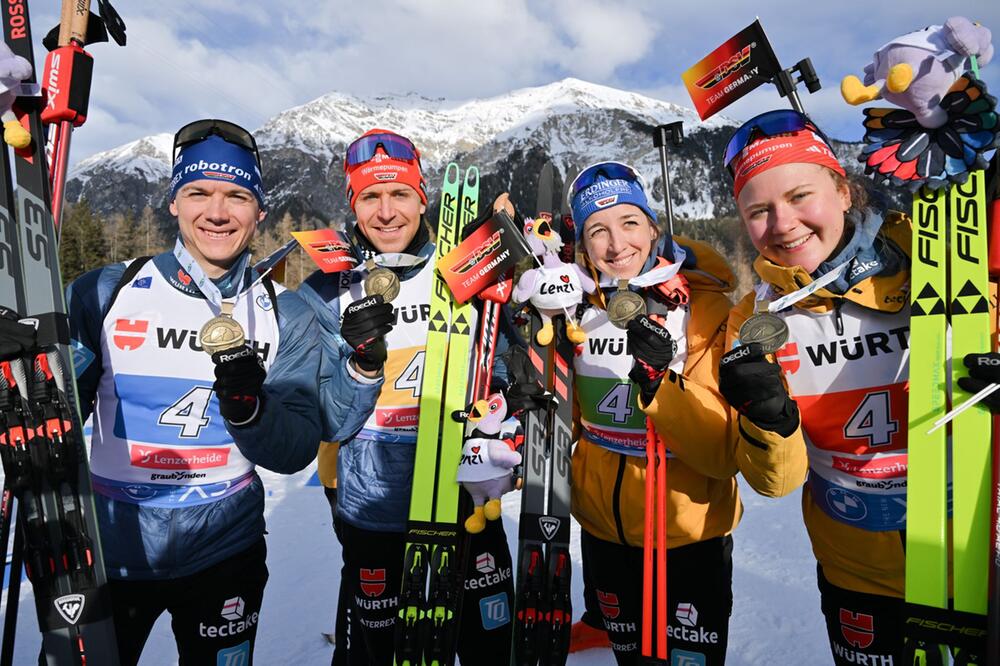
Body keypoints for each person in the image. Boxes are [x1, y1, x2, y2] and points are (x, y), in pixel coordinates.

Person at [65, 119, 322, 666]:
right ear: (173, 203)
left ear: (259, 214)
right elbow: (56, 413)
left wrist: (250, 408)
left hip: (226, 550)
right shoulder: (105, 292)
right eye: (198, 193)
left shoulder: (285, 311)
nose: (217, 212)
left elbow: (296, 448)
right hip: (113, 549)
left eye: (237, 196)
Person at [298, 129, 518, 666]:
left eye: (400, 194)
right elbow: (307, 398)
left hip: (462, 501)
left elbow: (505, 353)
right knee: (378, 653)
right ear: (353, 203)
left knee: (488, 646)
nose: (387, 211)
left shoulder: (462, 264)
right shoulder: (330, 285)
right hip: (372, 508)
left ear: (423, 197)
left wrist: (501, 405)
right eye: (370, 196)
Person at [715, 109, 922, 664]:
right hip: (857, 570)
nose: (782, 224)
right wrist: (770, 422)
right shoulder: (752, 319)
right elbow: (776, 484)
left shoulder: (938, 264)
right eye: (759, 211)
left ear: (845, 192)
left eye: (801, 196)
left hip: (971, 553)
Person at [566, 161, 741, 665]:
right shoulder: (576, 308)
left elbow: (722, 452)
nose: (616, 245)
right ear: (582, 244)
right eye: (598, 230)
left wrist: (662, 386)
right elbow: (573, 418)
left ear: (654, 228)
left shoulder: (702, 308)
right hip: (603, 528)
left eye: (629, 223)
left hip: (688, 533)